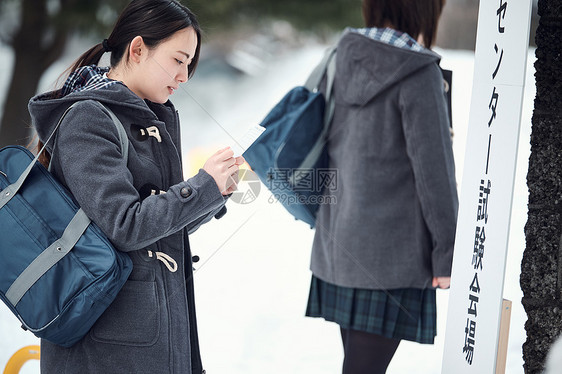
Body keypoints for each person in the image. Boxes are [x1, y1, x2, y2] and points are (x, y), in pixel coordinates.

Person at [28, 0, 244, 373]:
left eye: (189, 64)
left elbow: (160, 227)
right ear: (138, 49)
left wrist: (214, 191)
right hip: (108, 345)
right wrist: (201, 187)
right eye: (178, 60)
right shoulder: (87, 119)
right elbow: (125, 225)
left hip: (150, 330)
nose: (184, 76)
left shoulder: (146, 118)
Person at [305, 0, 457, 373]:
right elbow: (434, 173)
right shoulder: (418, 70)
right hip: (393, 256)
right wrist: (447, 253)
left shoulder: (341, 54)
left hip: (339, 242)